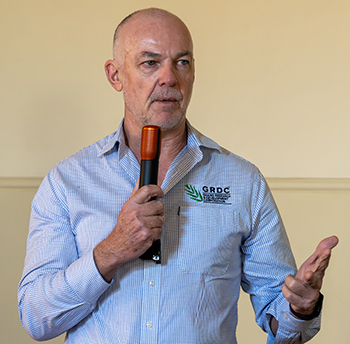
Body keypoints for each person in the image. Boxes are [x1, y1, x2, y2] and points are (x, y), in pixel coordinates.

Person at [18, 8, 338, 344]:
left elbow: (284, 323)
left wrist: (300, 309)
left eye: (182, 62)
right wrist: (111, 250)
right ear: (116, 76)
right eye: (150, 63)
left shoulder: (243, 182)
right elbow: (36, 318)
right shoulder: (67, 182)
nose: (169, 78)